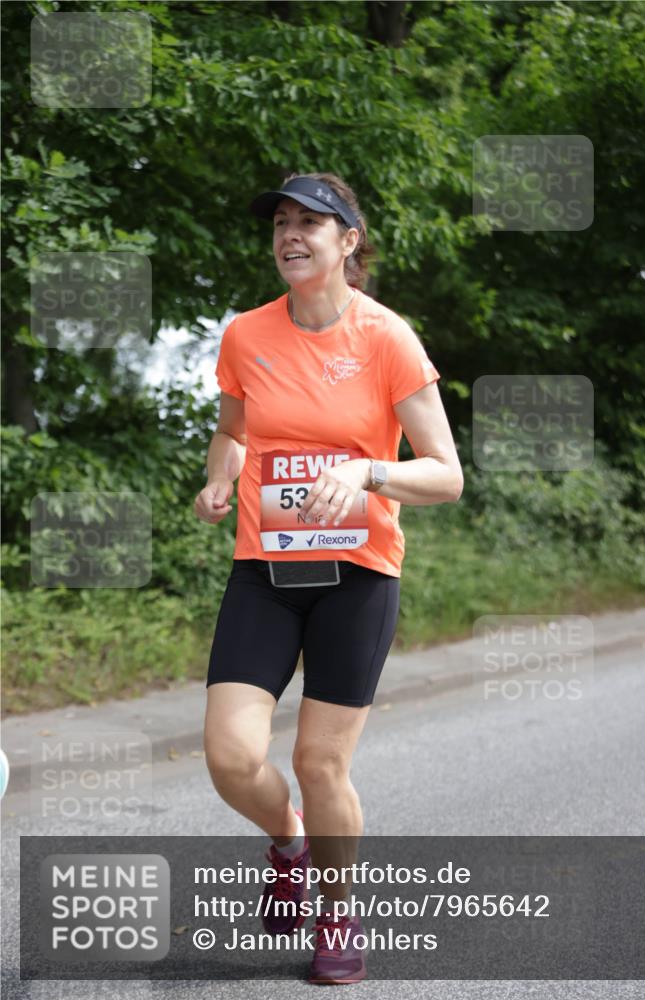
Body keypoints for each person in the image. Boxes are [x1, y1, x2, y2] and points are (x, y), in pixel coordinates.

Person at [194, 172, 463, 984]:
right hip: (265, 568)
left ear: (350, 243)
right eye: (282, 220)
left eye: (313, 222)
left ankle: (337, 911)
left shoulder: (386, 338)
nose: (291, 233)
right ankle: (289, 843)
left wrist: (371, 473)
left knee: (319, 762)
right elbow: (232, 432)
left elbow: (446, 476)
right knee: (230, 757)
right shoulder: (245, 334)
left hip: (357, 574)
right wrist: (218, 477)